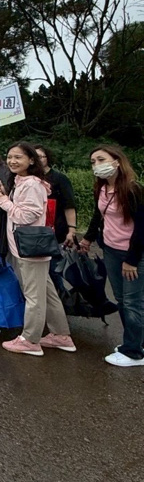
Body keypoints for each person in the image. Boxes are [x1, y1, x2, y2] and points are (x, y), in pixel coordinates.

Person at [0, 141, 75, 356]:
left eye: (18, 157)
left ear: (31, 160)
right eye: (10, 157)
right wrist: (7, 194)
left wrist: (4, 201)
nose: (12, 161)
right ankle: (60, 335)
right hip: (26, 248)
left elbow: (26, 215)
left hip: (30, 249)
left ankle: (30, 340)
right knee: (46, 292)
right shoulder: (23, 181)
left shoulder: (31, 184)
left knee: (34, 296)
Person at [80, 145, 144, 367]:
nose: (97, 165)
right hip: (110, 250)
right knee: (122, 299)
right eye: (93, 162)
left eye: (101, 159)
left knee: (133, 301)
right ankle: (134, 342)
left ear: (117, 161)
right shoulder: (102, 189)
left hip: (132, 254)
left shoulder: (133, 190)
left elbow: (141, 228)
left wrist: (131, 260)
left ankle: (134, 353)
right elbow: (98, 216)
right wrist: (88, 239)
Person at [33, 145, 77, 246]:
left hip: (56, 229)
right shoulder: (27, 179)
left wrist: (71, 230)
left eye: (40, 157)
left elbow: (69, 205)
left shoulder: (60, 178)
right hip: (34, 230)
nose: (37, 160)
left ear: (47, 158)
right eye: (34, 157)